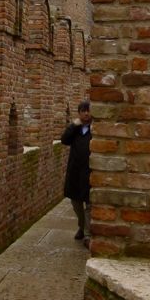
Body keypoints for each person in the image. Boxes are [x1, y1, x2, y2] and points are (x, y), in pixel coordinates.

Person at [62, 100, 92, 244]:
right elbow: (64, 140)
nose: (86, 113)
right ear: (79, 113)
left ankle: (87, 235)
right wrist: (73, 125)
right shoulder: (75, 129)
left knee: (90, 205)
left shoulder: (95, 129)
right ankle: (82, 226)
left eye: (88, 110)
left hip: (91, 173)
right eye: (83, 111)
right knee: (76, 204)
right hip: (75, 172)